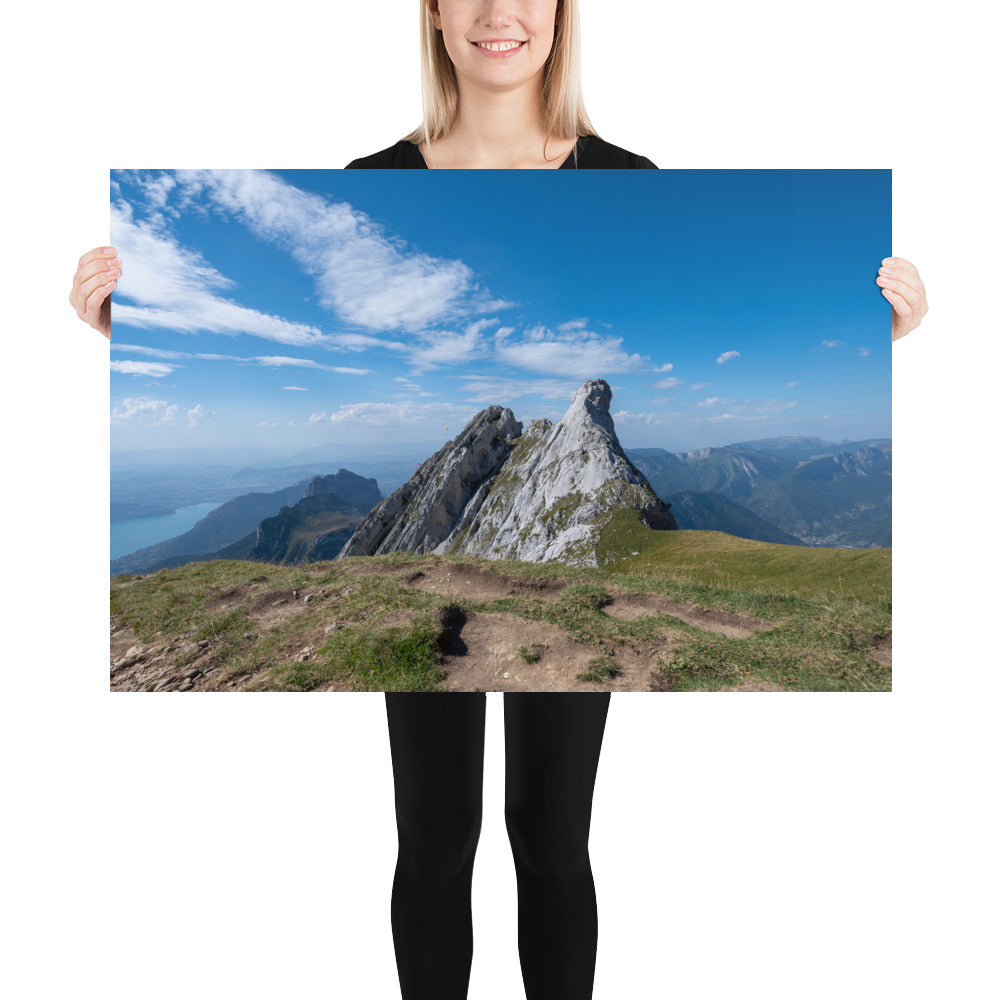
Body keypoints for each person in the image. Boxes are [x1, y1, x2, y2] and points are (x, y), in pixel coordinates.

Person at [72, 3, 928, 998]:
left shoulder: (625, 181)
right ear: (430, 14)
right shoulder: (372, 185)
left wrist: (889, 334)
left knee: (551, 838)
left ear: (563, 14)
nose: (497, 13)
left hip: (559, 606)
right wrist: (118, 333)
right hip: (434, 606)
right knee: (435, 840)